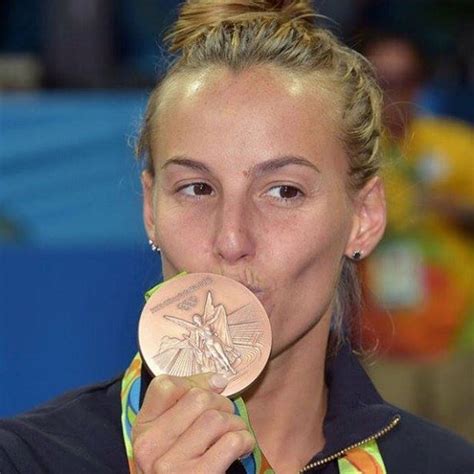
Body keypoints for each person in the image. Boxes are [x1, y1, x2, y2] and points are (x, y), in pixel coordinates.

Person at [1, 1, 473, 473]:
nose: (230, 238)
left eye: (283, 191)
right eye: (197, 188)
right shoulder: (28, 460)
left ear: (364, 218)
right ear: (150, 210)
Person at [359, 33, 474, 357]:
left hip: (459, 329)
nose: (392, 93)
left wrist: (455, 208)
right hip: (378, 332)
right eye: (381, 81)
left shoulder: (457, 142)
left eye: (403, 80)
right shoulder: (352, 153)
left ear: (421, 82)